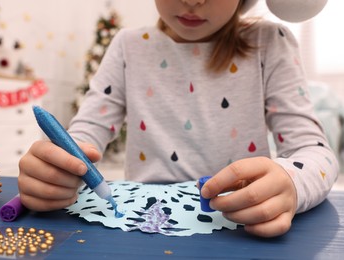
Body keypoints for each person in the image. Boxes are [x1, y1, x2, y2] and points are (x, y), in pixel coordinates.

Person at [18, 0, 338, 238]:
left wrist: (292, 184)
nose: (192, 0)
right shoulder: (128, 46)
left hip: (241, 231)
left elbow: (316, 152)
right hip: (142, 230)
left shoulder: (269, 41)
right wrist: (57, 171)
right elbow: (85, 135)